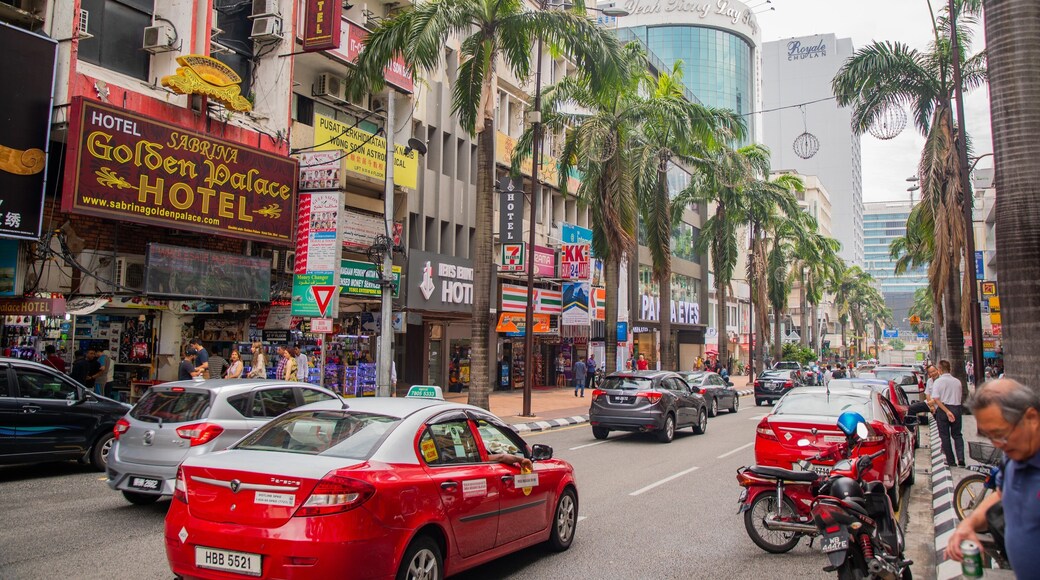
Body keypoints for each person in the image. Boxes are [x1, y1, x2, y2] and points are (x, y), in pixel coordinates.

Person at [946, 379, 1040, 575]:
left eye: (1001, 434)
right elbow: (1002, 495)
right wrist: (968, 524)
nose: (997, 444)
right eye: (990, 437)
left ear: (1031, 418)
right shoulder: (1013, 457)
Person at [932, 359, 966, 467]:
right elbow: (959, 397)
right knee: (957, 435)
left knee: (945, 436)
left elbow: (936, 399)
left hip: (943, 409)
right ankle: (961, 458)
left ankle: (951, 461)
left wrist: (947, 411)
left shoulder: (938, 381)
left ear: (940, 370)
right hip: (956, 408)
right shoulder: (957, 381)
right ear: (949, 369)